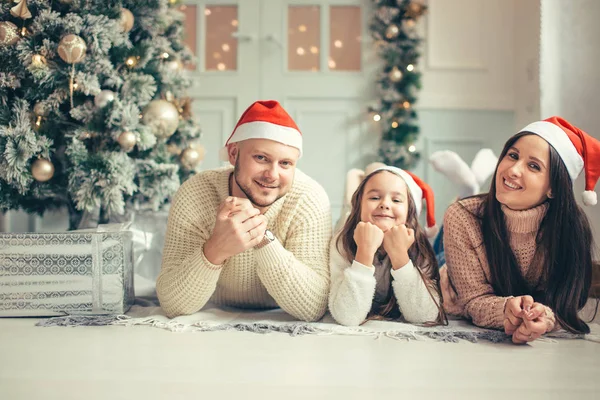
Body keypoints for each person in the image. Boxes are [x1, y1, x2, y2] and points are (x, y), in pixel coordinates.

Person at [156, 100, 332, 322]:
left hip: (280, 329)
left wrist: (260, 236)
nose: (272, 174)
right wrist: (215, 250)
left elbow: (314, 306)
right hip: (212, 319)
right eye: (261, 158)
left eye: (285, 163)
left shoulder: (309, 198)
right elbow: (173, 305)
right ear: (233, 154)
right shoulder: (196, 193)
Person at [441, 116, 599, 343]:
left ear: (553, 187)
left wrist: (542, 318)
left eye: (533, 166)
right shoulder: (461, 216)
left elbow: (566, 303)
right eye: (512, 155)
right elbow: (473, 299)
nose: (513, 169)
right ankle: (469, 186)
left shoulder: (572, 229)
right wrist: (506, 310)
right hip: (451, 281)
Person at [329, 166, 445, 326]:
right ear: (359, 205)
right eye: (374, 198)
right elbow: (347, 317)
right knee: (344, 218)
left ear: (410, 211)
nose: (385, 204)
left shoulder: (419, 245)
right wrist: (364, 252)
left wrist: (400, 256)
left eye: (396, 200)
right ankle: (351, 186)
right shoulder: (342, 241)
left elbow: (424, 316)